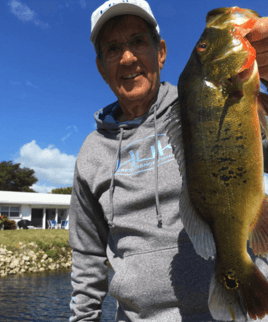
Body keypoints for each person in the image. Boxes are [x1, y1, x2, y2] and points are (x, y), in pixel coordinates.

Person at [69, 1, 268, 321]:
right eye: (113, 48)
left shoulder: (202, 100)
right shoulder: (91, 152)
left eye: (138, 41)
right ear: (101, 66)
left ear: (160, 51)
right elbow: (86, 257)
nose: (128, 57)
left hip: (243, 310)